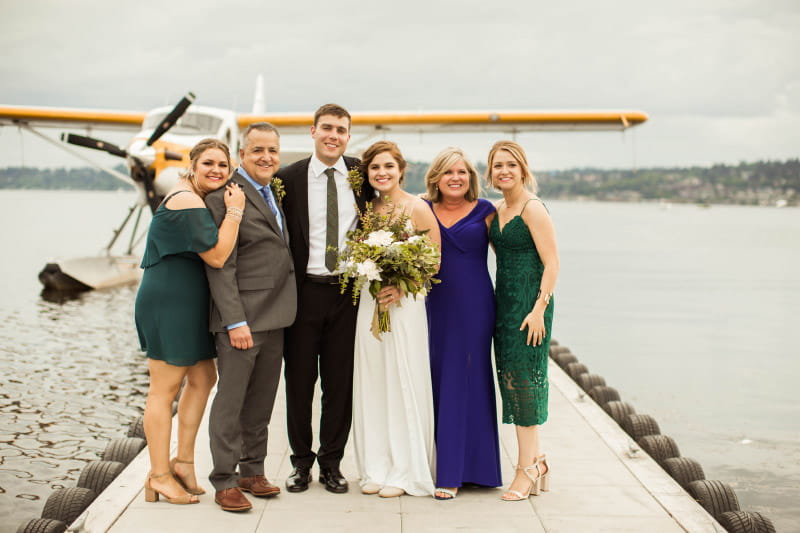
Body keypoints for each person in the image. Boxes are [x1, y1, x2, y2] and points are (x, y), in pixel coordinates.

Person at [135, 138, 244, 505]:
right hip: (170, 301)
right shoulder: (186, 200)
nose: (216, 170)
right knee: (163, 389)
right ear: (192, 165)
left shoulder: (195, 197)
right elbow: (217, 256)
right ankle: (159, 476)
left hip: (189, 302)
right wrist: (235, 212)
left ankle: (182, 462)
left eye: (223, 165)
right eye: (208, 163)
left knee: (203, 378)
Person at [277, 104, 374, 494]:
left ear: (348, 136)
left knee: (340, 385)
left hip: (347, 294)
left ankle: (332, 464)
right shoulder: (288, 178)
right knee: (299, 383)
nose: (334, 135)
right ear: (313, 131)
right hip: (303, 294)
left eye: (341, 130)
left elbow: (391, 203)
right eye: (327, 128)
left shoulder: (362, 175)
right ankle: (301, 463)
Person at [204, 123, 297, 512]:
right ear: (241, 155)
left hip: (275, 316)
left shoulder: (271, 192)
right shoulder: (225, 197)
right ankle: (224, 480)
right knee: (230, 403)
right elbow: (221, 266)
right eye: (258, 150)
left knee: (261, 402)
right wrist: (234, 321)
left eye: (272, 150)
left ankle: (252, 471)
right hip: (242, 319)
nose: (266, 157)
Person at [352, 140, 441, 498]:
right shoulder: (366, 210)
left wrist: (403, 287)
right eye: (375, 167)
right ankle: (376, 466)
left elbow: (434, 260)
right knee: (374, 380)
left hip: (405, 305)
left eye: (388, 166)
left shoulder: (418, 207)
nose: (382, 172)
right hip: (371, 301)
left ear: (401, 170)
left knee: (402, 377)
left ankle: (405, 470)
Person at [422, 147, 502, 500]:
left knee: (470, 379)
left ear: (471, 177)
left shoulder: (487, 211)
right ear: (436, 177)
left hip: (475, 306)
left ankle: (462, 473)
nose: (456, 178)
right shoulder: (422, 209)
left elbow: (509, 256)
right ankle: (439, 464)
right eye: (448, 172)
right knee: (437, 379)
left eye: (462, 172)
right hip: (433, 305)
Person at [486, 140, 559, 501]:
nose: (504, 171)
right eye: (498, 165)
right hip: (504, 305)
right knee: (511, 380)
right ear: (490, 172)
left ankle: (525, 469)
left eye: (511, 165)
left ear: (523, 169)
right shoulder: (497, 209)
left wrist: (538, 309)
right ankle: (539, 461)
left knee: (524, 382)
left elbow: (552, 263)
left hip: (531, 309)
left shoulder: (533, 208)